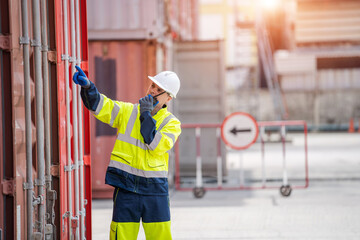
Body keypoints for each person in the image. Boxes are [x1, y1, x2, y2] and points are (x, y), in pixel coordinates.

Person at [73, 66, 181, 240]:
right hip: (126, 187)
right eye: (152, 86)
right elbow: (102, 106)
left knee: (160, 237)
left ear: (168, 97)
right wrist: (88, 88)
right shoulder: (129, 111)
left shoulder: (172, 124)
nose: (152, 90)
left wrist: (145, 114)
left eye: (159, 89)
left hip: (154, 190)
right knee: (121, 236)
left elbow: (154, 143)